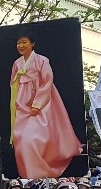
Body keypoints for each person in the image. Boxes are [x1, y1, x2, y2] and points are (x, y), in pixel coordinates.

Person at [9, 34, 80, 178]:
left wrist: (37, 104)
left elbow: (47, 81)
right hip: (22, 102)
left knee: (36, 138)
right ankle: (29, 174)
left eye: (24, 42)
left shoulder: (42, 60)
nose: (21, 46)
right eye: (18, 43)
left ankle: (40, 172)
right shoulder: (17, 63)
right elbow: (13, 83)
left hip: (41, 100)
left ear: (32, 44)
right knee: (21, 139)